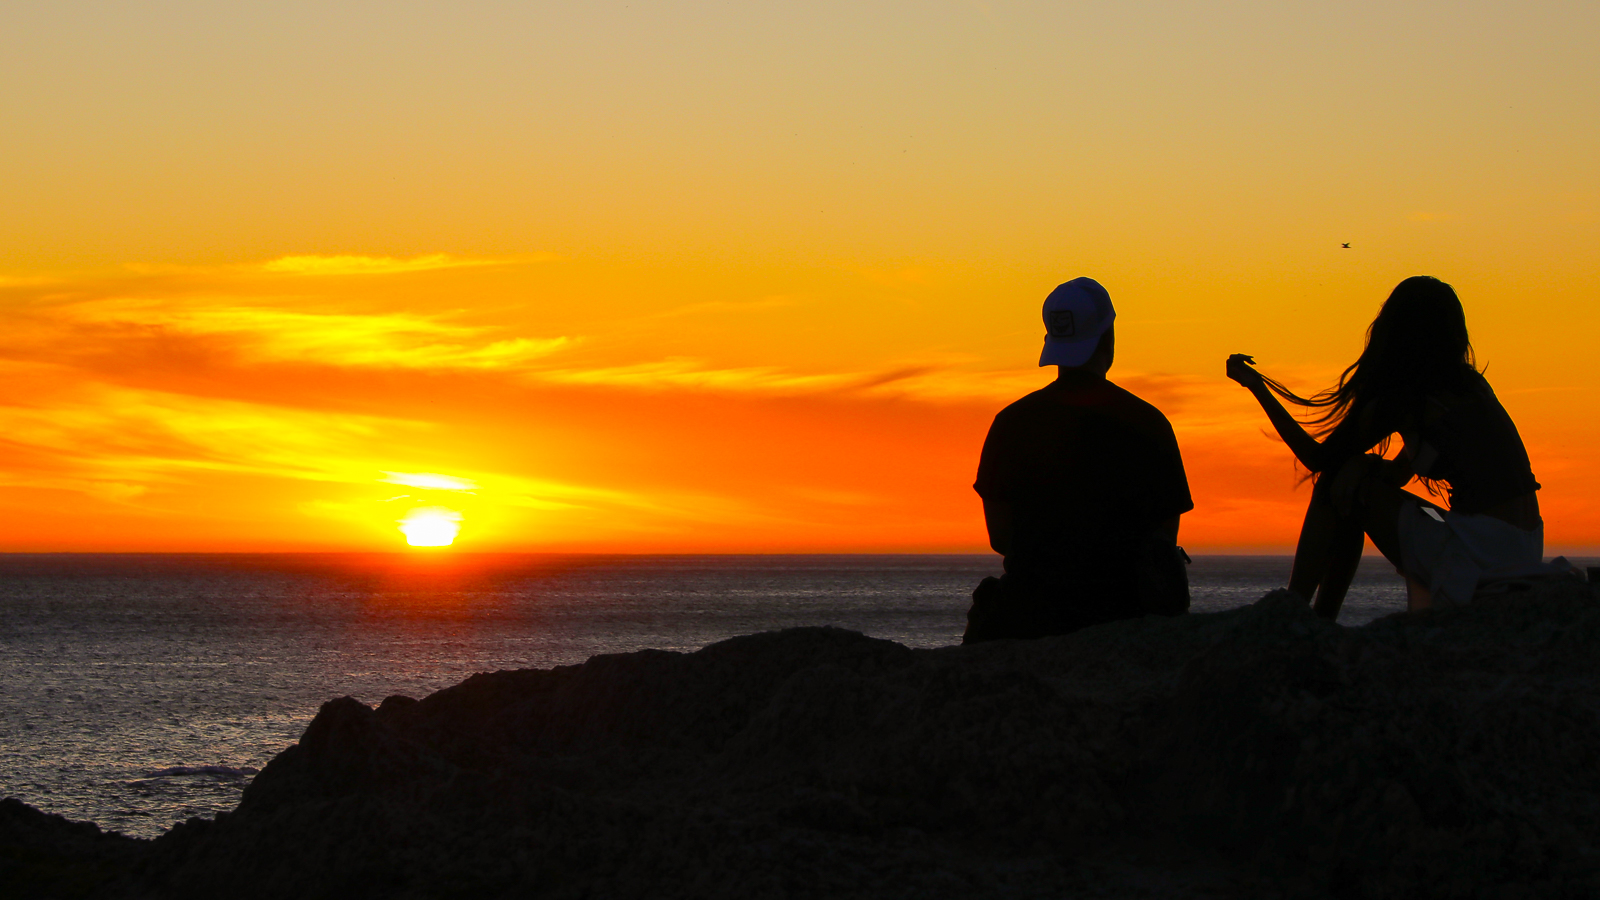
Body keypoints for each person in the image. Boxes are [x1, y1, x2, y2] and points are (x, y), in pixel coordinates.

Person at [1226, 275, 1542, 617]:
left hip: (1480, 550)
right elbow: (1396, 476)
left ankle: (1297, 611)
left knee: (1336, 483)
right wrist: (1366, 467)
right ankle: (1317, 621)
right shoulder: (1470, 389)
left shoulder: (1405, 399)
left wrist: (1255, 386)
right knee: (1350, 481)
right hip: (1524, 547)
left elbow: (1317, 459)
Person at [964, 277, 1194, 643]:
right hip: (1126, 618)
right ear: (1109, 338)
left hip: (1031, 617)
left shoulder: (1011, 423)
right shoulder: (1149, 424)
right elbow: (1164, 538)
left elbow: (1001, 536)